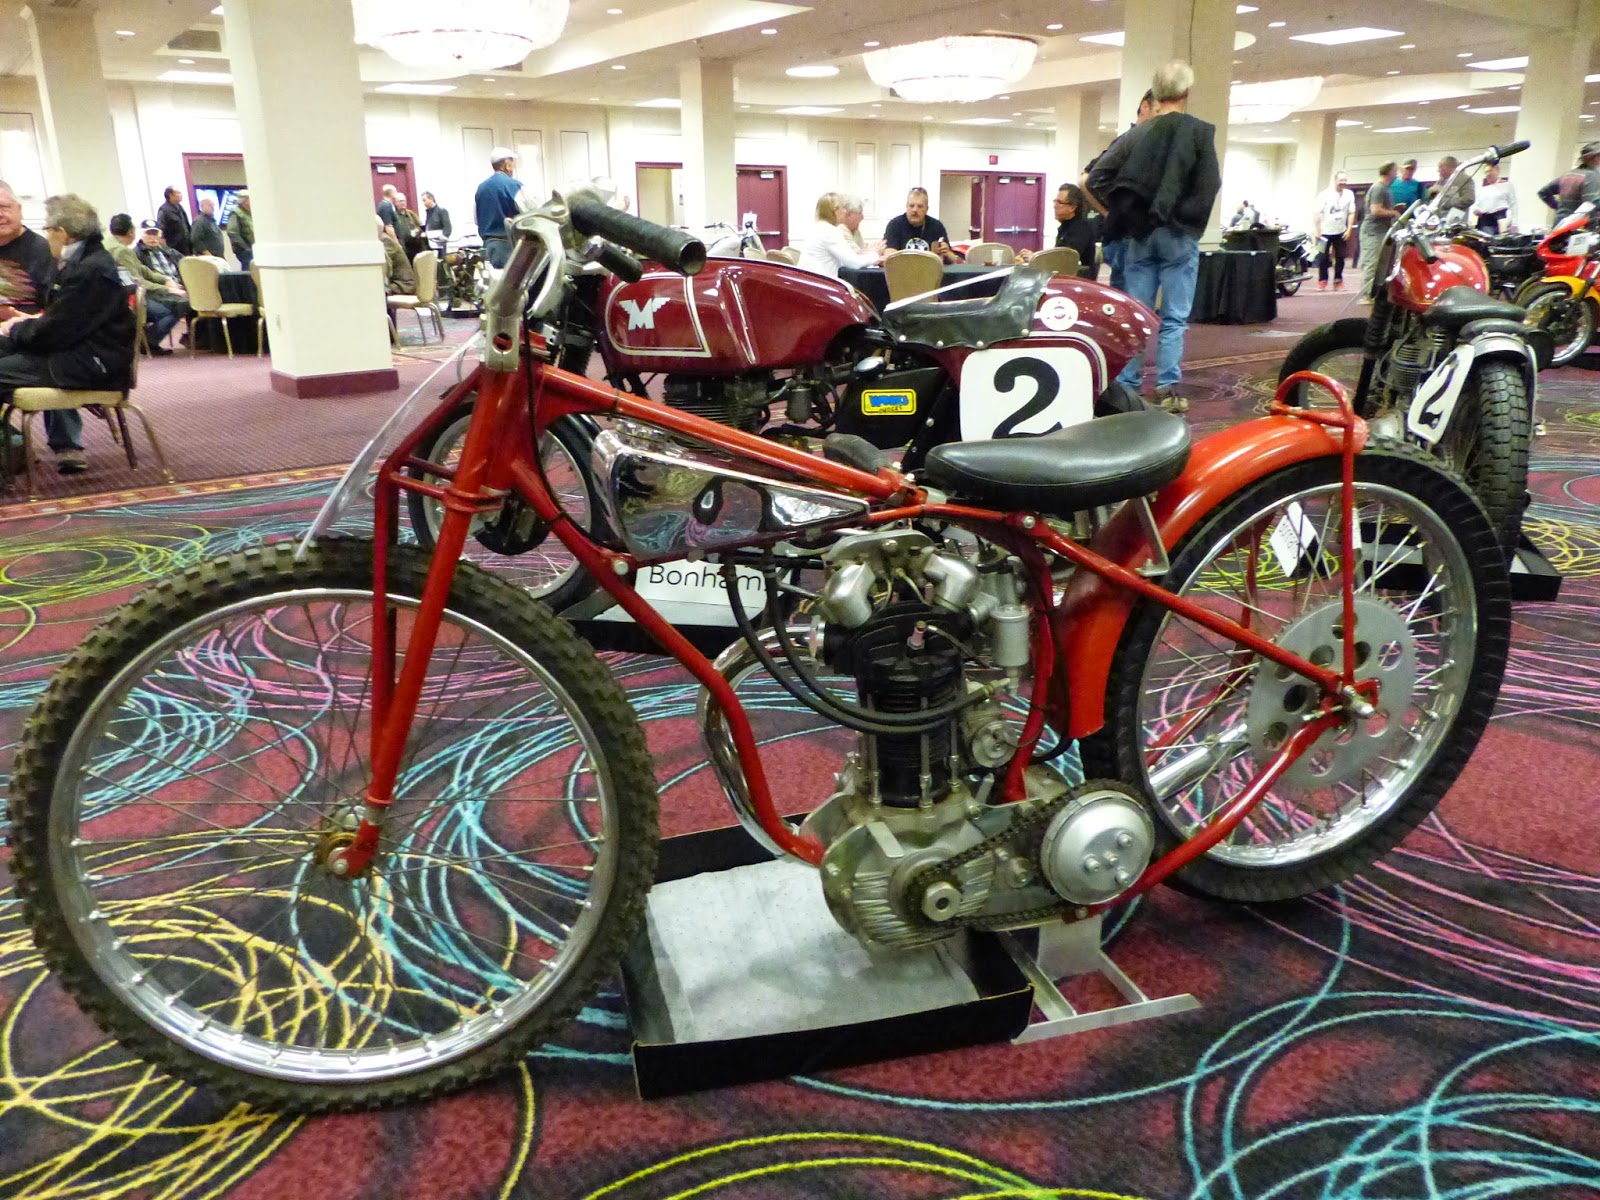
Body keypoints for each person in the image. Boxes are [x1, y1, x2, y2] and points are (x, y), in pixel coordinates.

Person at [1086, 60, 1220, 412]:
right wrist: (1188, 222)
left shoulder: (1136, 134)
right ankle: (1167, 387)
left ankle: (1127, 388)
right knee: (1174, 317)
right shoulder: (1199, 132)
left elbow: (1096, 177)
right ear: (1186, 93)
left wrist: (1120, 213)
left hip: (1139, 236)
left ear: (1156, 95)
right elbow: (1209, 184)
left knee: (1136, 316)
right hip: (1178, 236)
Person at [0, 194, 134, 474]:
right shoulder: (89, 262)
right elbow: (62, 321)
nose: (46, 234)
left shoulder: (88, 271)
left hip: (90, 363)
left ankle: (13, 450)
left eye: (48, 228)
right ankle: (12, 447)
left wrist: (16, 329)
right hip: (80, 350)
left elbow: (55, 332)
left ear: (63, 233)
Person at [1082, 89, 1156, 291]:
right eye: (1159, 111)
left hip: (1137, 235)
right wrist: (1111, 212)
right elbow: (1086, 180)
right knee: (1129, 301)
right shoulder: (1128, 141)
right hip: (1124, 237)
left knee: (1137, 299)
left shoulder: (1150, 143)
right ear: (1145, 108)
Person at [107, 214, 188, 354]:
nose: (152, 237)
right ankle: (146, 342)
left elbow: (142, 270)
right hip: (129, 297)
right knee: (173, 309)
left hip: (123, 293)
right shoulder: (122, 250)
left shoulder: (111, 243)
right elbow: (137, 281)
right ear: (131, 232)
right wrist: (168, 289)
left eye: (154, 233)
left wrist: (166, 280)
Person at [0, 179, 54, 322]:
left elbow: (59, 313)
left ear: (19, 209)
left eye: (4, 207)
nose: (0, 215)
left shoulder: (44, 250)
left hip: (26, 336)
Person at [795, 192, 881, 279]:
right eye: (843, 208)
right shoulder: (829, 231)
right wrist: (875, 254)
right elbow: (854, 263)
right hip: (822, 284)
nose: (846, 212)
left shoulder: (818, 228)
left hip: (809, 281)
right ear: (834, 210)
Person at [1020, 184, 1098, 278]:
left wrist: (1035, 258)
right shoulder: (1066, 227)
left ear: (1072, 207)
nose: (1054, 206)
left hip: (1076, 283)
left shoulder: (1081, 229)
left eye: (1059, 202)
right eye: (1055, 201)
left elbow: (1064, 260)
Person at [475, 147, 523, 269]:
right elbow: (529, 214)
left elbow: (476, 219)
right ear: (507, 164)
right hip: (508, 246)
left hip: (488, 247)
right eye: (512, 162)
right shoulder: (514, 185)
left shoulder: (481, 188)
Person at [883, 188, 958, 263]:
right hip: (902, 271)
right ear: (906, 207)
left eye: (920, 206)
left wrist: (946, 253)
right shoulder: (894, 225)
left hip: (930, 271)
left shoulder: (937, 226)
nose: (915, 210)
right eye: (911, 206)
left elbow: (953, 259)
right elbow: (889, 256)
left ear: (926, 209)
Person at [1359, 162, 1400, 297]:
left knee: (1380, 264)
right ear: (1389, 172)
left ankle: (1375, 294)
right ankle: (1368, 295)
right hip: (1373, 232)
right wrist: (1393, 213)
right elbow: (1375, 211)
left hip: (1380, 231)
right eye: (1395, 171)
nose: (1397, 174)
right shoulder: (1379, 188)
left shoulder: (1385, 188)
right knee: (1372, 263)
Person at [1312, 172, 1356, 290]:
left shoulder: (1349, 194)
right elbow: (1317, 213)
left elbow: (1351, 212)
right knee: (1323, 257)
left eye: (1345, 180)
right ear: (1335, 180)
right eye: (1341, 180)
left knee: (1341, 257)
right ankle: (1322, 280)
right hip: (1324, 232)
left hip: (1340, 231)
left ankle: (1338, 281)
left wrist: (1349, 228)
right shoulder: (1324, 194)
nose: (1343, 183)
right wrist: (1318, 230)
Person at [1538, 143, 1600, 224]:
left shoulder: (1567, 175)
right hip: (1580, 228)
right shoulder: (1592, 176)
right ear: (1595, 158)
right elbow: (1591, 203)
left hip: (1561, 223)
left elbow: (1543, 193)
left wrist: (1558, 208)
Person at [1469, 165, 1517, 234]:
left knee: (1501, 240)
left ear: (1497, 171)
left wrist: (1515, 223)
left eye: (1490, 171)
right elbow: (1476, 205)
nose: (1488, 174)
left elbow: (1513, 204)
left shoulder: (1506, 185)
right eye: (1486, 172)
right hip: (1485, 219)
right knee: (1487, 240)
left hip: (1501, 217)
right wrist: (1476, 210)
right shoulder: (1482, 190)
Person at [378, 214, 417, 295]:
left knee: (373, 290)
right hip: (399, 283)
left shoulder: (385, 241)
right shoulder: (384, 238)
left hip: (403, 285)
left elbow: (386, 269)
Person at [1431, 156, 1474, 226]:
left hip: (1456, 225)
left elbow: (1469, 199)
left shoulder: (1464, 179)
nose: (1438, 170)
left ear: (1448, 167)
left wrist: (1446, 202)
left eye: (1440, 167)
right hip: (1439, 224)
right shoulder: (1441, 181)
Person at [155, 187, 191, 255]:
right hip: (173, 247)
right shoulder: (164, 210)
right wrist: (166, 250)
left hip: (185, 247)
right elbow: (160, 230)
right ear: (170, 195)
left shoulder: (180, 208)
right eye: (178, 193)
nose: (181, 195)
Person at [226, 190, 254, 270]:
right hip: (245, 250)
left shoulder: (248, 213)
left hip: (251, 249)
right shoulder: (235, 213)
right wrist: (246, 248)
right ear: (244, 201)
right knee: (249, 273)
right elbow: (232, 232)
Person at [394, 192, 424, 259]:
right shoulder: (394, 216)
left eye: (404, 200)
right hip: (402, 246)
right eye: (400, 201)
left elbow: (421, 226)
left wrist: (417, 230)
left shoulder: (411, 214)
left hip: (414, 246)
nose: (403, 203)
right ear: (395, 203)